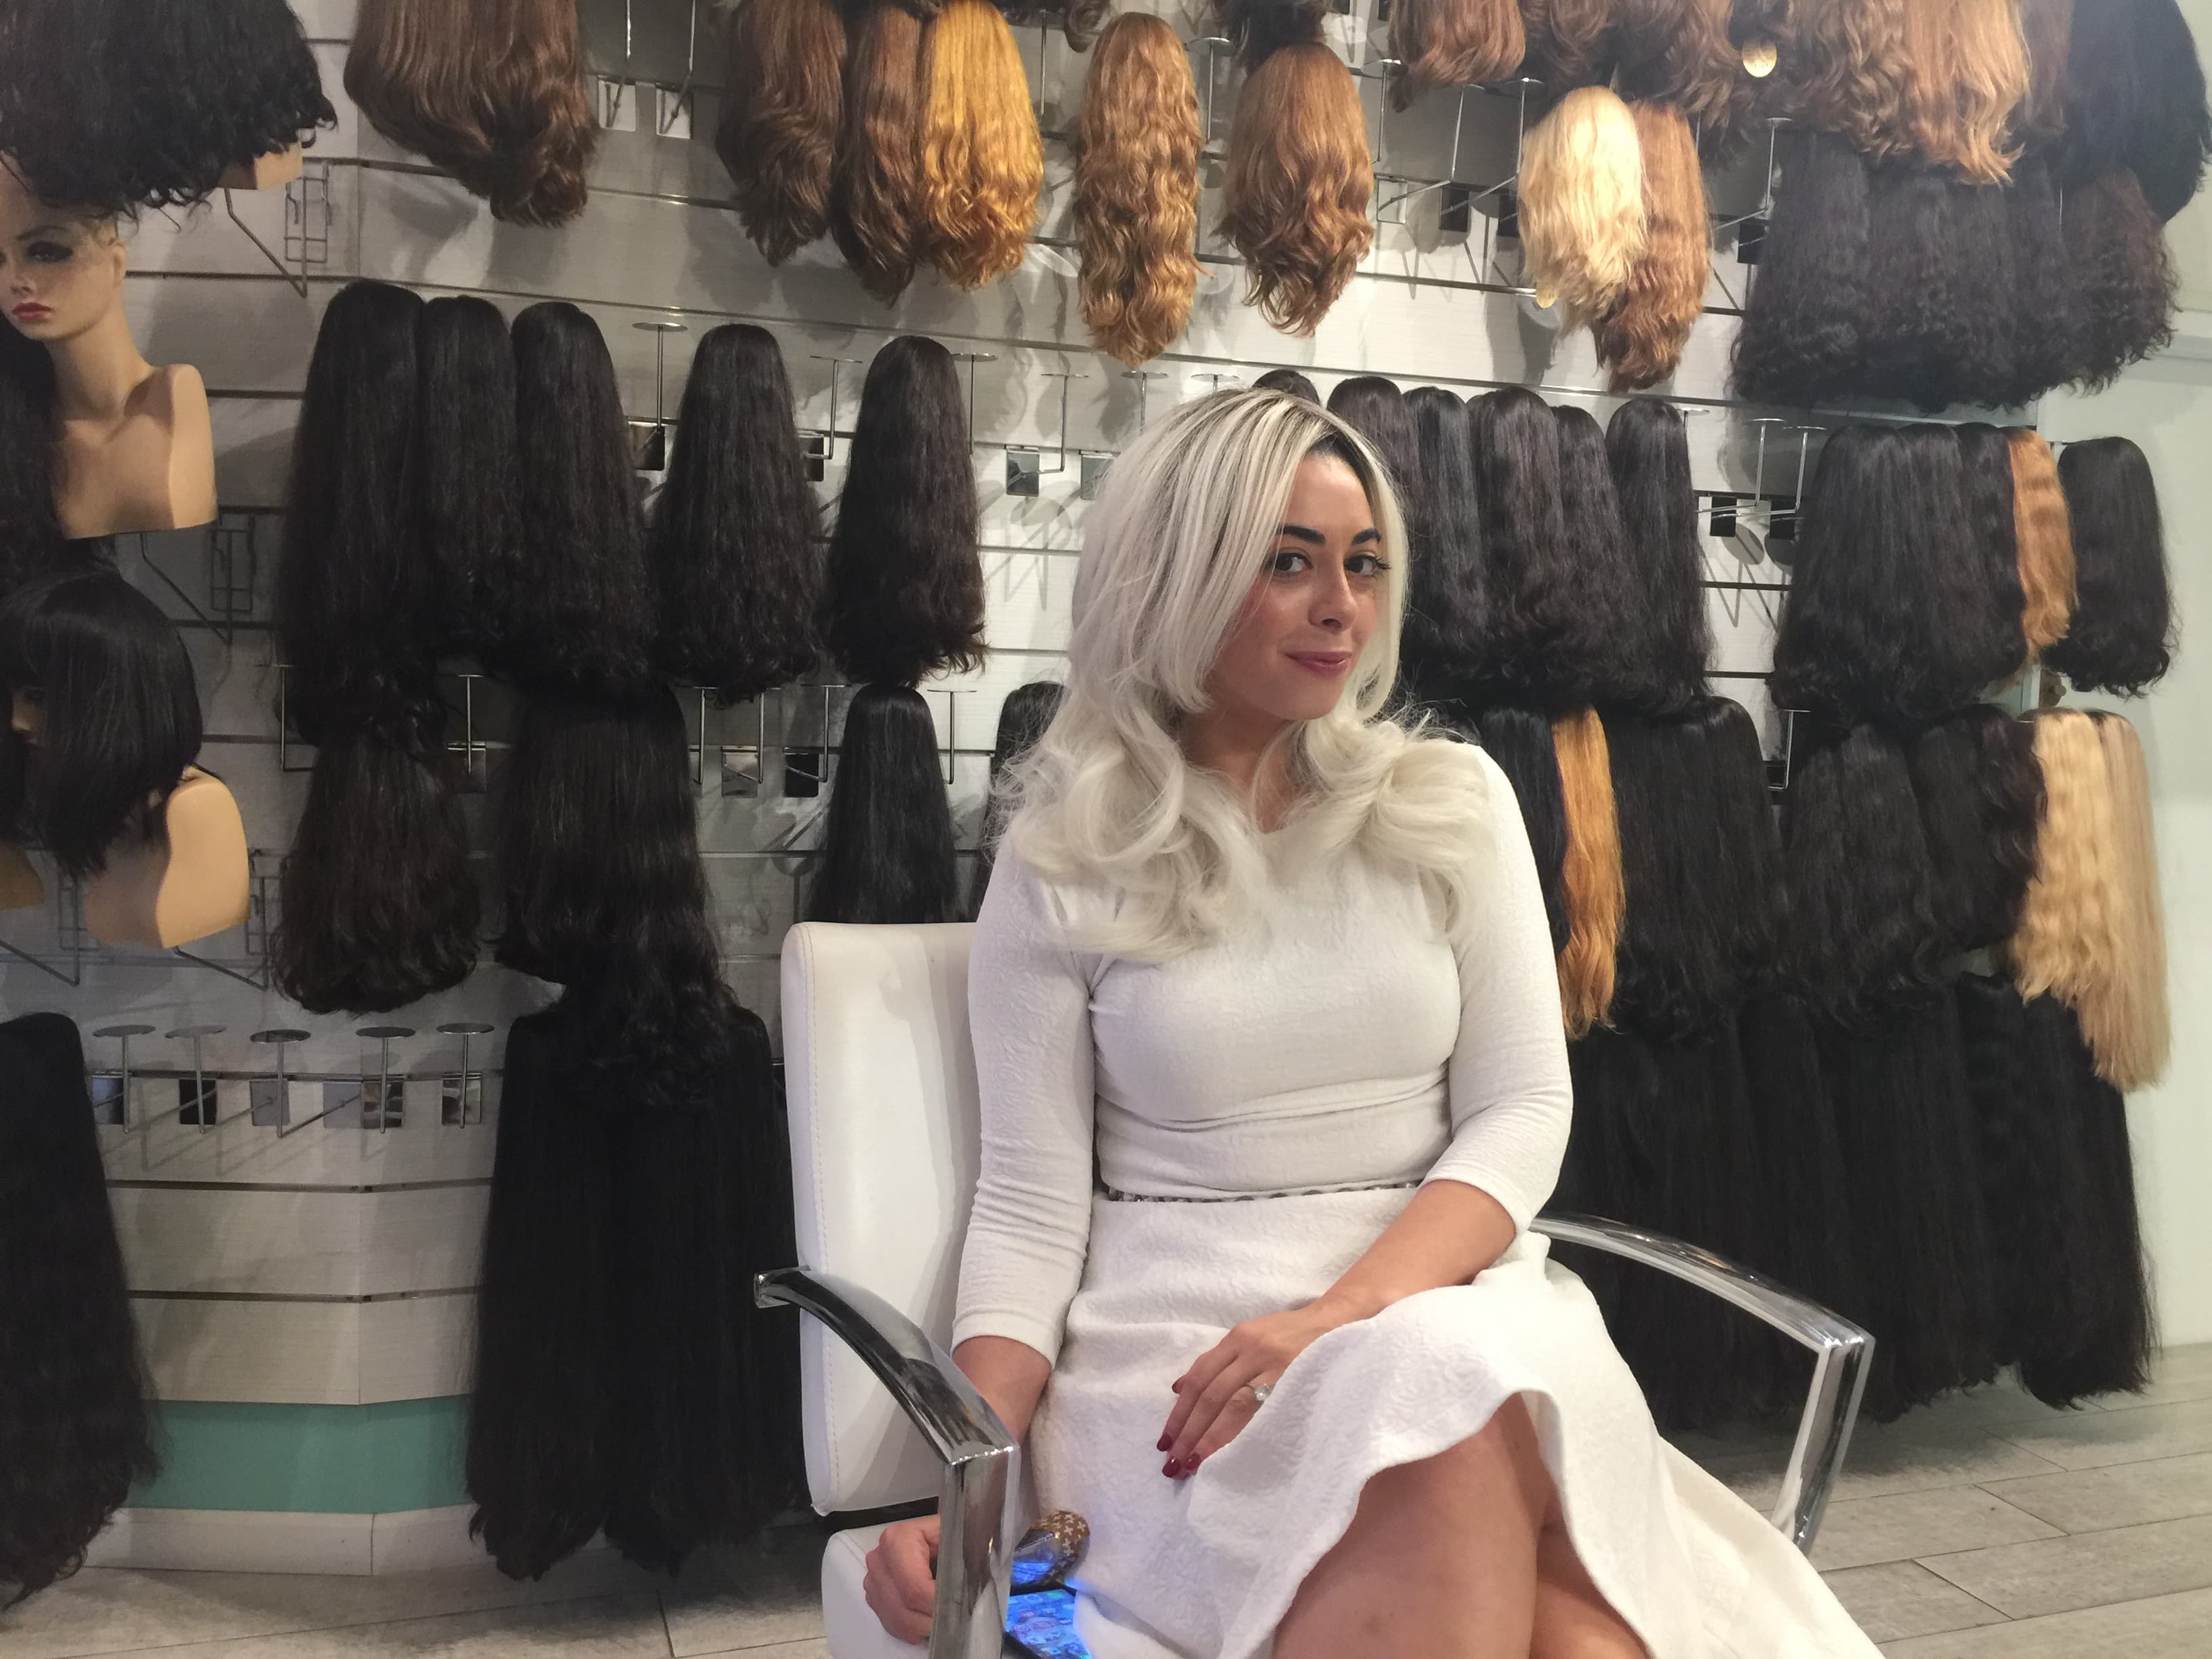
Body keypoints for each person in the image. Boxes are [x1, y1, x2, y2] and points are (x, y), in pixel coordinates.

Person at [863, 390, 1878, 1657]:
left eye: (1364, 563)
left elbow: (1521, 1111)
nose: (1342, 606)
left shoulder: (1449, 803)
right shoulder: (1067, 855)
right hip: (1186, 1360)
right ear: (1178, 571)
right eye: (1287, 562)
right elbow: (1027, 1210)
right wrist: (968, 1475)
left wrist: (1347, 1313)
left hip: (1449, 1299)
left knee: (1448, 1378)